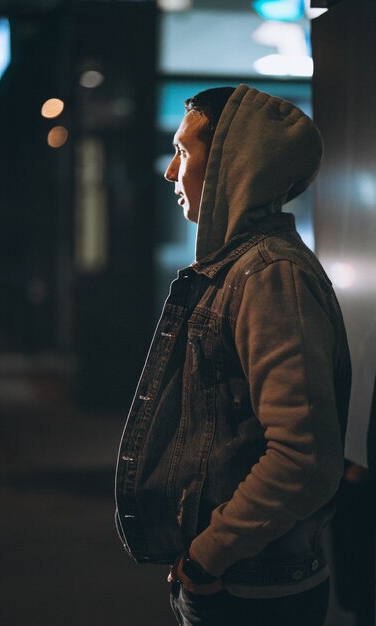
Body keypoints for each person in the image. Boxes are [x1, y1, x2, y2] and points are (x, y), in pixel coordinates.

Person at [115, 85, 351, 626]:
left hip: (254, 593)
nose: (171, 173)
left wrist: (206, 556)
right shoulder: (242, 269)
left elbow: (304, 459)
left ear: (230, 163)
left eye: (183, 151)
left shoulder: (269, 275)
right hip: (242, 582)